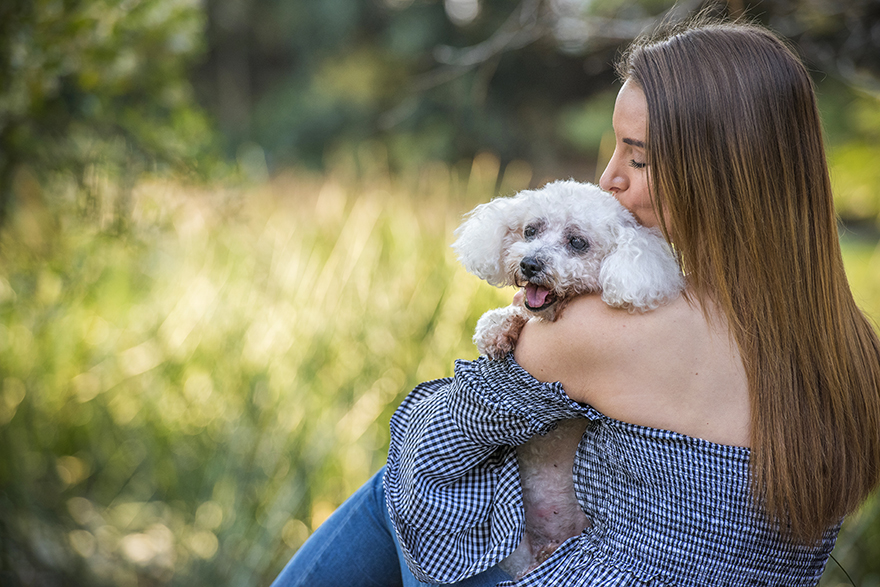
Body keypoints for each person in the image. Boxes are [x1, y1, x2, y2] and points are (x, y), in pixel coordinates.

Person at [271, 16, 880, 587]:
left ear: (723, 173)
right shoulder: (852, 351)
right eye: (614, 149)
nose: (607, 178)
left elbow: (427, 451)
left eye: (637, 158)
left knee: (399, 488)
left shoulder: (610, 326)